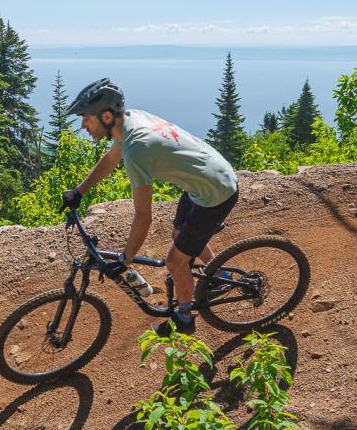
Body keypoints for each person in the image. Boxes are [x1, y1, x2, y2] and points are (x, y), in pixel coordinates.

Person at [61, 78, 239, 336]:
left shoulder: (137, 149)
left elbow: (144, 218)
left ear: (107, 116)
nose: (83, 125)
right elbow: (112, 158)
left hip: (216, 192)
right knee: (179, 236)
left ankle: (184, 318)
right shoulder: (130, 121)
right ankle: (219, 275)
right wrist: (80, 191)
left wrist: (126, 260)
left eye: (86, 119)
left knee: (175, 262)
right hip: (205, 178)